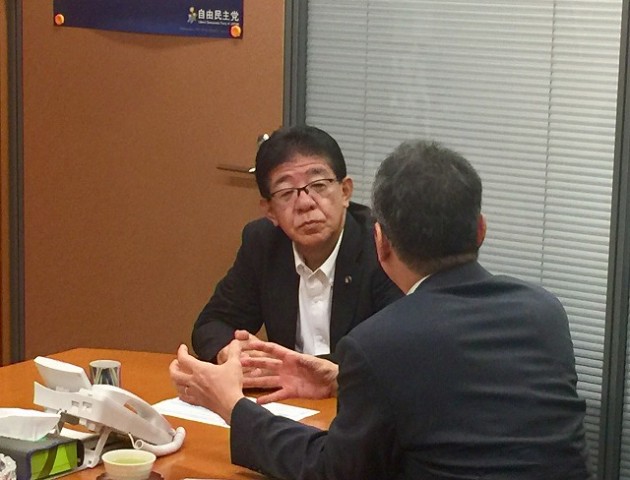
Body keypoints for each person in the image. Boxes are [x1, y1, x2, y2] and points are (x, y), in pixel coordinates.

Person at [171, 140, 591, 479]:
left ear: (381, 243)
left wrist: (233, 406)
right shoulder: (544, 312)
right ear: (481, 230)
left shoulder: (379, 343)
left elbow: (332, 470)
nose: (306, 203)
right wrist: (340, 378)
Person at [191, 125, 402, 366]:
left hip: (353, 388)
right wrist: (232, 350)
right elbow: (212, 324)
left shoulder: (382, 245)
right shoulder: (262, 243)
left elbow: (397, 347)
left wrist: (293, 368)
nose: (305, 203)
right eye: (286, 192)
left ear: (345, 192)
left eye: (318, 185)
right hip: (284, 389)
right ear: (270, 211)